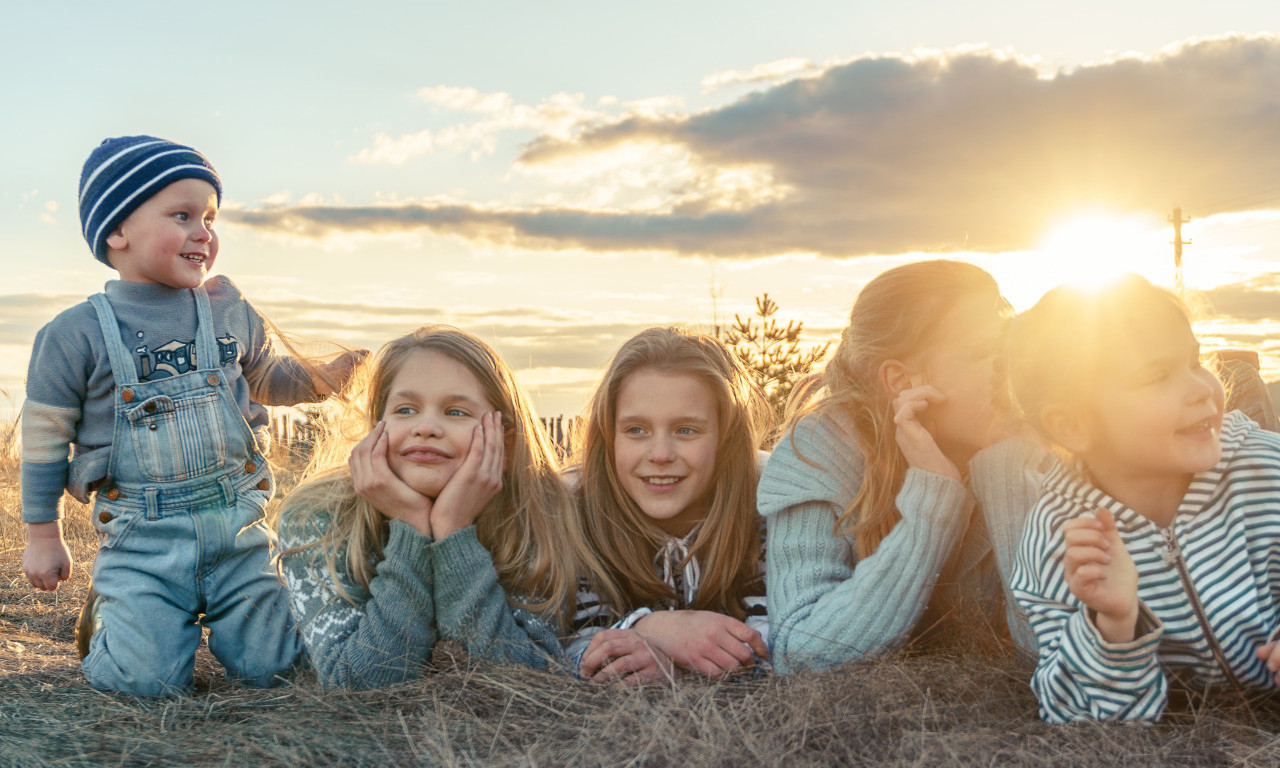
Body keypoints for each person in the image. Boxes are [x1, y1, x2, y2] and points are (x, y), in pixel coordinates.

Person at [20, 135, 360, 696]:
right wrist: (42, 533)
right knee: (144, 684)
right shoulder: (73, 335)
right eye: (182, 215)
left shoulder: (227, 308)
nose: (204, 232)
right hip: (142, 543)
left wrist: (326, 377)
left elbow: (265, 378)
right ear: (117, 232)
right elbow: (44, 439)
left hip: (238, 529)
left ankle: (235, 623)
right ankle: (118, 615)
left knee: (275, 669)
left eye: (209, 216)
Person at [1008, 275, 1280, 723]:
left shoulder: (1264, 470)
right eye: (1158, 376)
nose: (1201, 389)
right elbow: (1074, 713)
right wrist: (1112, 625)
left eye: (1195, 361)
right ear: (1074, 425)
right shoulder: (1065, 542)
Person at [758, 259, 1048, 674]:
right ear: (901, 380)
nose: (1013, 370)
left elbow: (1056, 656)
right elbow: (801, 653)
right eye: (987, 353)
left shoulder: (1038, 443)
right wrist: (933, 499)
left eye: (1011, 348)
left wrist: (1008, 471)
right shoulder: (820, 453)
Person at [277, 326, 600, 689]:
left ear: (505, 443)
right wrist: (412, 527)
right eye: (405, 409)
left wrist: (453, 529)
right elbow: (358, 682)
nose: (426, 427)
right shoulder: (317, 516)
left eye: (456, 412)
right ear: (376, 427)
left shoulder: (539, 516)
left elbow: (523, 675)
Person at [567, 328, 773, 683]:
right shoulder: (576, 512)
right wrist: (650, 627)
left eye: (686, 430)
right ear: (608, 434)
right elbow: (576, 648)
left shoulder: (768, 503)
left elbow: (780, 640)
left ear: (725, 438)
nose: (660, 455)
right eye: (636, 430)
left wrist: (679, 662)